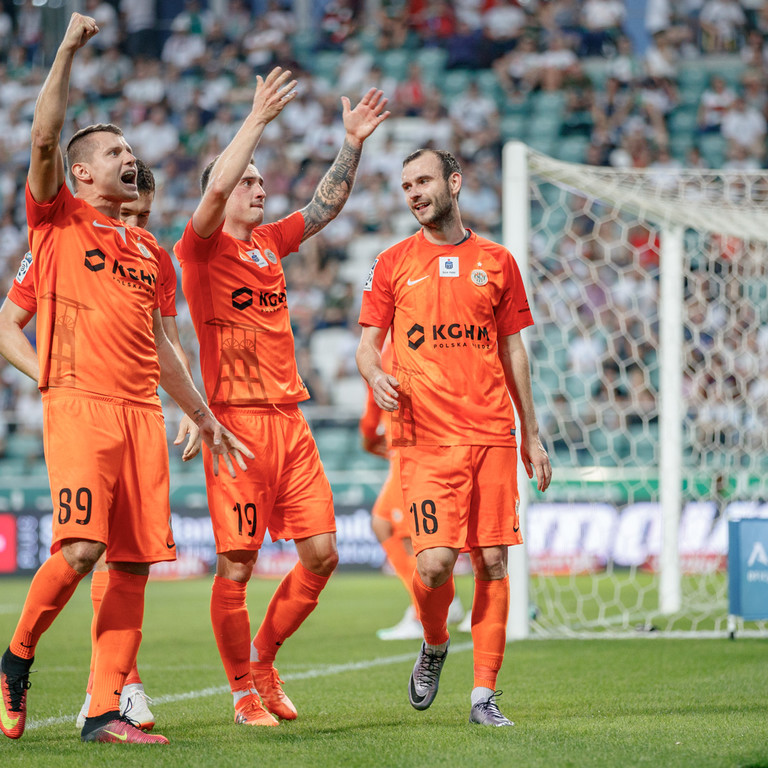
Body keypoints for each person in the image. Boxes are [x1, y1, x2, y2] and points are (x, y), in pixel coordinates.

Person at [0, 14, 251, 746]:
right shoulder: (57, 220)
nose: (129, 157)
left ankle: (105, 709)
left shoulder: (149, 251)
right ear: (82, 173)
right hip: (80, 405)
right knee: (80, 551)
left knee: (134, 565)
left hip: (142, 411)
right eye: (115, 151)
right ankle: (14, 660)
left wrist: (200, 411)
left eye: (132, 150)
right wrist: (69, 50)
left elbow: (163, 349)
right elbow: (46, 136)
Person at [174, 71, 389, 726]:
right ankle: (242, 693)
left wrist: (350, 144)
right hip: (235, 427)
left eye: (262, 181)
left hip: (290, 425)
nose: (259, 187)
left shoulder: (270, 243)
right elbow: (214, 187)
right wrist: (257, 119)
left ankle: (265, 657)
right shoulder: (200, 249)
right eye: (249, 181)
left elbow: (326, 205)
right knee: (236, 567)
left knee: (322, 555)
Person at [356, 148, 552, 727]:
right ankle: (435, 640)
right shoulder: (391, 262)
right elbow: (368, 344)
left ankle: (483, 696)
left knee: (492, 558)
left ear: (454, 183)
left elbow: (515, 348)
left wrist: (531, 434)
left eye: (423, 181)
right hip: (424, 436)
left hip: (492, 429)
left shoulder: (497, 261)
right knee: (436, 565)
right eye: (405, 185)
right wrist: (373, 373)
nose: (414, 192)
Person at [359, 340, 465, 640]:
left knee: (410, 538)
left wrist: (368, 435)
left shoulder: (399, 345)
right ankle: (442, 603)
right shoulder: (393, 344)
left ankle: (426, 612)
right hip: (404, 447)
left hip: (415, 449)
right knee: (383, 523)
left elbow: (373, 400)